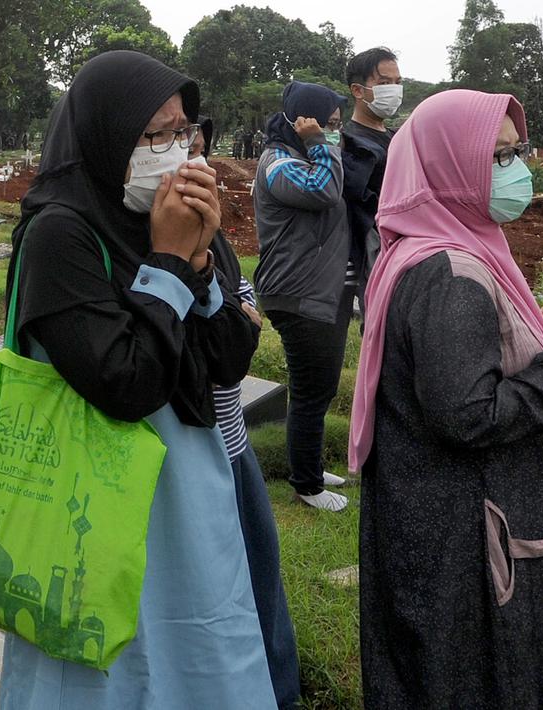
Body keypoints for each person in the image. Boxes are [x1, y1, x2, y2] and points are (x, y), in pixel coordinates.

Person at [0, 51, 277, 707]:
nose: (175, 151)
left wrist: (203, 261)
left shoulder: (181, 221)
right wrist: (168, 264)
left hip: (187, 495)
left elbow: (227, 362)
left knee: (198, 643)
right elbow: (127, 383)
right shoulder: (59, 235)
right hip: (90, 504)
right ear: (104, 134)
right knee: (106, 670)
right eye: (154, 135)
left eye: (183, 131)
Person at [348, 89, 543, 708]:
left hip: (447, 519)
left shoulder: (433, 246)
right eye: (499, 157)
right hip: (473, 531)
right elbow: (468, 415)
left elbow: (463, 366)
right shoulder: (452, 274)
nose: (517, 172)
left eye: (516, 153)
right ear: (450, 167)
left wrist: (541, 344)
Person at [188, 116, 302, 709]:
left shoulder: (214, 243)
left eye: (198, 149)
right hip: (182, 461)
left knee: (259, 583)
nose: (192, 163)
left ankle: (278, 696)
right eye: (169, 145)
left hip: (231, 447)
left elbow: (236, 341)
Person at [253, 81, 352, 512]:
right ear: (302, 122)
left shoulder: (299, 155)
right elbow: (324, 191)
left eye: (335, 126)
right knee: (313, 390)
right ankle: (307, 486)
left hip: (314, 290)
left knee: (318, 387)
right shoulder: (278, 163)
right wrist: (319, 144)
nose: (333, 133)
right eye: (326, 124)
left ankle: (308, 465)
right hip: (296, 292)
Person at [342, 47, 402, 309]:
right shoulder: (351, 143)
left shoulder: (396, 136)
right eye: (384, 83)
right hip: (377, 252)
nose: (394, 89)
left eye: (397, 83)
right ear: (358, 90)